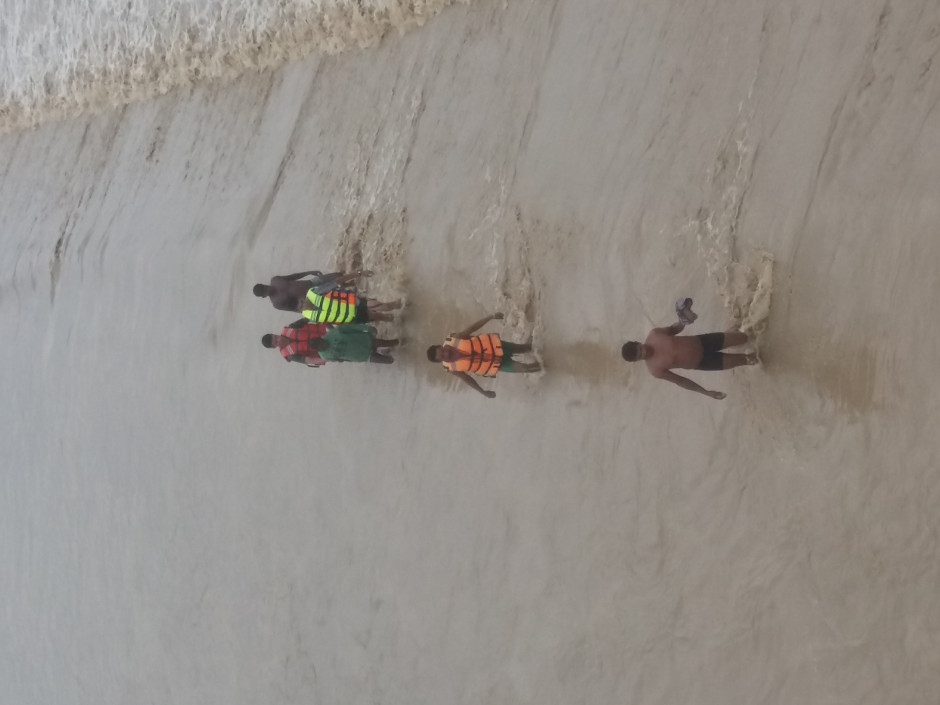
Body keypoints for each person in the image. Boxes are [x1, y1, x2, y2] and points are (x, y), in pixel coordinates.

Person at [620, 298, 757, 400]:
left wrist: (682, 321)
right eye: (640, 355)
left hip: (704, 341)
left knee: (745, 337)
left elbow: (674, 329)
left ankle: (733, 331)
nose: (644, 352)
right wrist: (706, 392)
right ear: (638, 360)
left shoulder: (655, 334)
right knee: (747, 360)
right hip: (704, 363)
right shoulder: (655, 370)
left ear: (638, 343)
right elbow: (681, 381)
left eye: (640, 349)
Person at [426, 312, 540, 399]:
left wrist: (491, 317)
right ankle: (545, 365)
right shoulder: (453, 369)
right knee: (525, 368)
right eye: (443, 357)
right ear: (441, 361)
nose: (446, 354)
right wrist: (483, 392)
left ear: (441, 346)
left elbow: (472, 328)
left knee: (526, 348)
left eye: (442, 351)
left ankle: (538, 337)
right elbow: (467, 379)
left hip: (496, 346)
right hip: (496, 364)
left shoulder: (456, 339)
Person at [252, 268, 375, 312]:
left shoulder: (275, 280)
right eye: (265, 291)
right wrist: (315, 309)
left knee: (337, 275)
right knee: (337, 284)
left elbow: (293, 276)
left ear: (264, 284)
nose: (268, 289)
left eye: (265, 287)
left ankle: (353, 282)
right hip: (314, 295)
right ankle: (358, 280)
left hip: (311, 282)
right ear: (264, 296)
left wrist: (309, 272)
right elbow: (296, 309)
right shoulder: (277, 303)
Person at [300, 287, 401, 324]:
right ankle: (397, 305)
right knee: (372, 304)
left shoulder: (312, 317)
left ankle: (395, 319)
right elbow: (334, 284)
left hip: (351, 317)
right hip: (351, 302)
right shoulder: (315, 293)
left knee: (376, 316)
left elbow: (328, 323)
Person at [315, 324, 399, 364]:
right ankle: (389, 352)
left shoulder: (333, 333)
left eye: (323, 343)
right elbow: (340, 360)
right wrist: (351, 359)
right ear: (319, 350)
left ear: (322, 338)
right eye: (323, 347)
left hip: (366, 341)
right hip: (362, 356)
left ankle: (399, 345)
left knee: (393, 342)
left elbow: (352, 327)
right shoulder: (324, 356)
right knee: (389, 361)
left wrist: (368, 328)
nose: (325, 345)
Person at [261, 319, 329, 366]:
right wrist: (328, 358)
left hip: (327, 330)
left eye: (276, 337)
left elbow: (306, 319)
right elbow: (310, 360)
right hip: (326, 349)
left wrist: (323, 320)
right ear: (274, 347)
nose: (279, 339)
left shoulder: (291, 327)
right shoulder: (290, 355)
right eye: (276, 342)